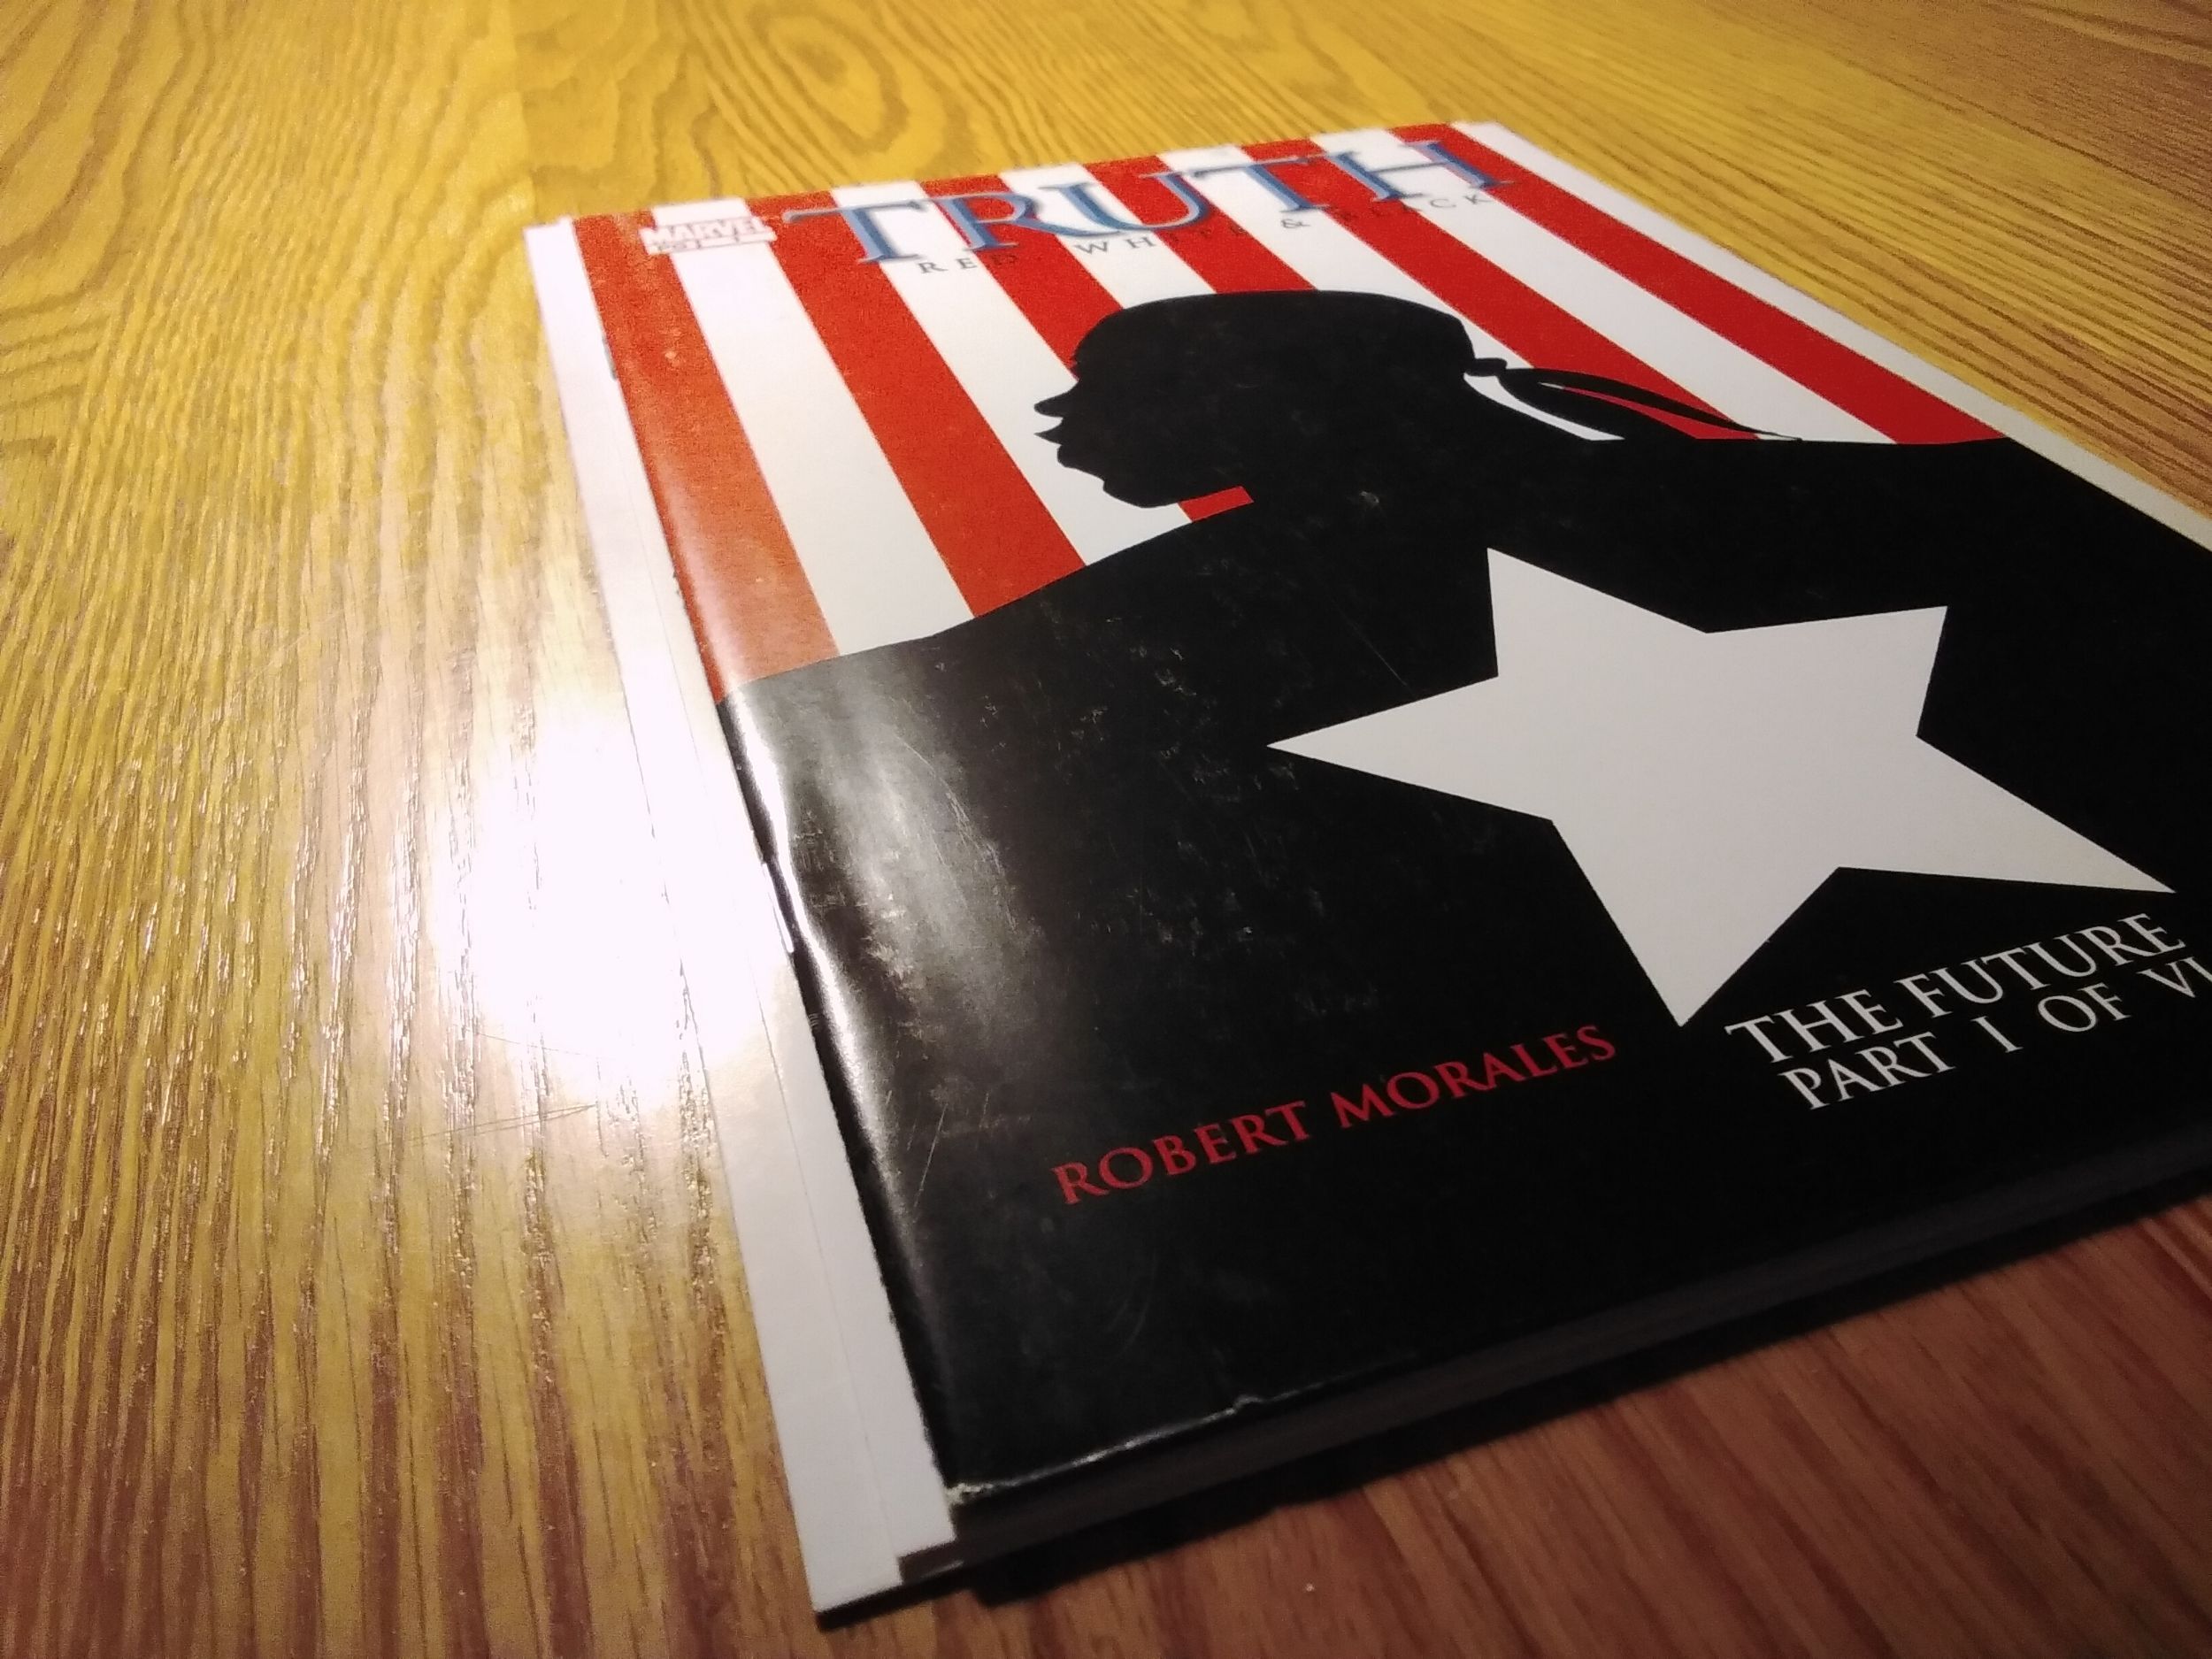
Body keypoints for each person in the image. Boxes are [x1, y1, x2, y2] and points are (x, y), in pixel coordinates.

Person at [727, 290, 2212, 1494]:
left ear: (1277, 395)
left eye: (1116, 379)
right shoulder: (1966, 489)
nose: (1062, 416)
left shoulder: (1057, 664)